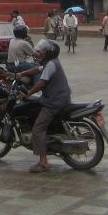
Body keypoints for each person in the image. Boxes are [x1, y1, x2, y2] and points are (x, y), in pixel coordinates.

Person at [15, 39, 70, 172]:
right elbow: (37, 69)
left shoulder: (51, 64)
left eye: (42, 51)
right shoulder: (50, 63)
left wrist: (28, 93)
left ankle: (43, 162)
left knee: (37, 129)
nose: (39, 52)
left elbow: (41, 83)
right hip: (60, 98)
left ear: (49, 53)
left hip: (54, 102)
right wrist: (23, 73)